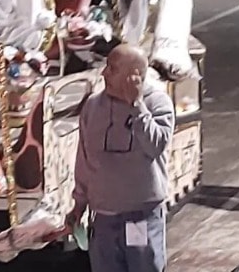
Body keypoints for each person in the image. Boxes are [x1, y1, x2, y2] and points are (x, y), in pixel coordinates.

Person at [68, 44, 175, 272]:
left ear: (133, 76)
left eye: (112, 69)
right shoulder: (93, 106)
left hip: (139, 219)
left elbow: (156, 145)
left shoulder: (157, 103)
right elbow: (85, 159)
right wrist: (79, 203)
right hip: (104, 220)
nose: (104, 73)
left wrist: (136, 106)